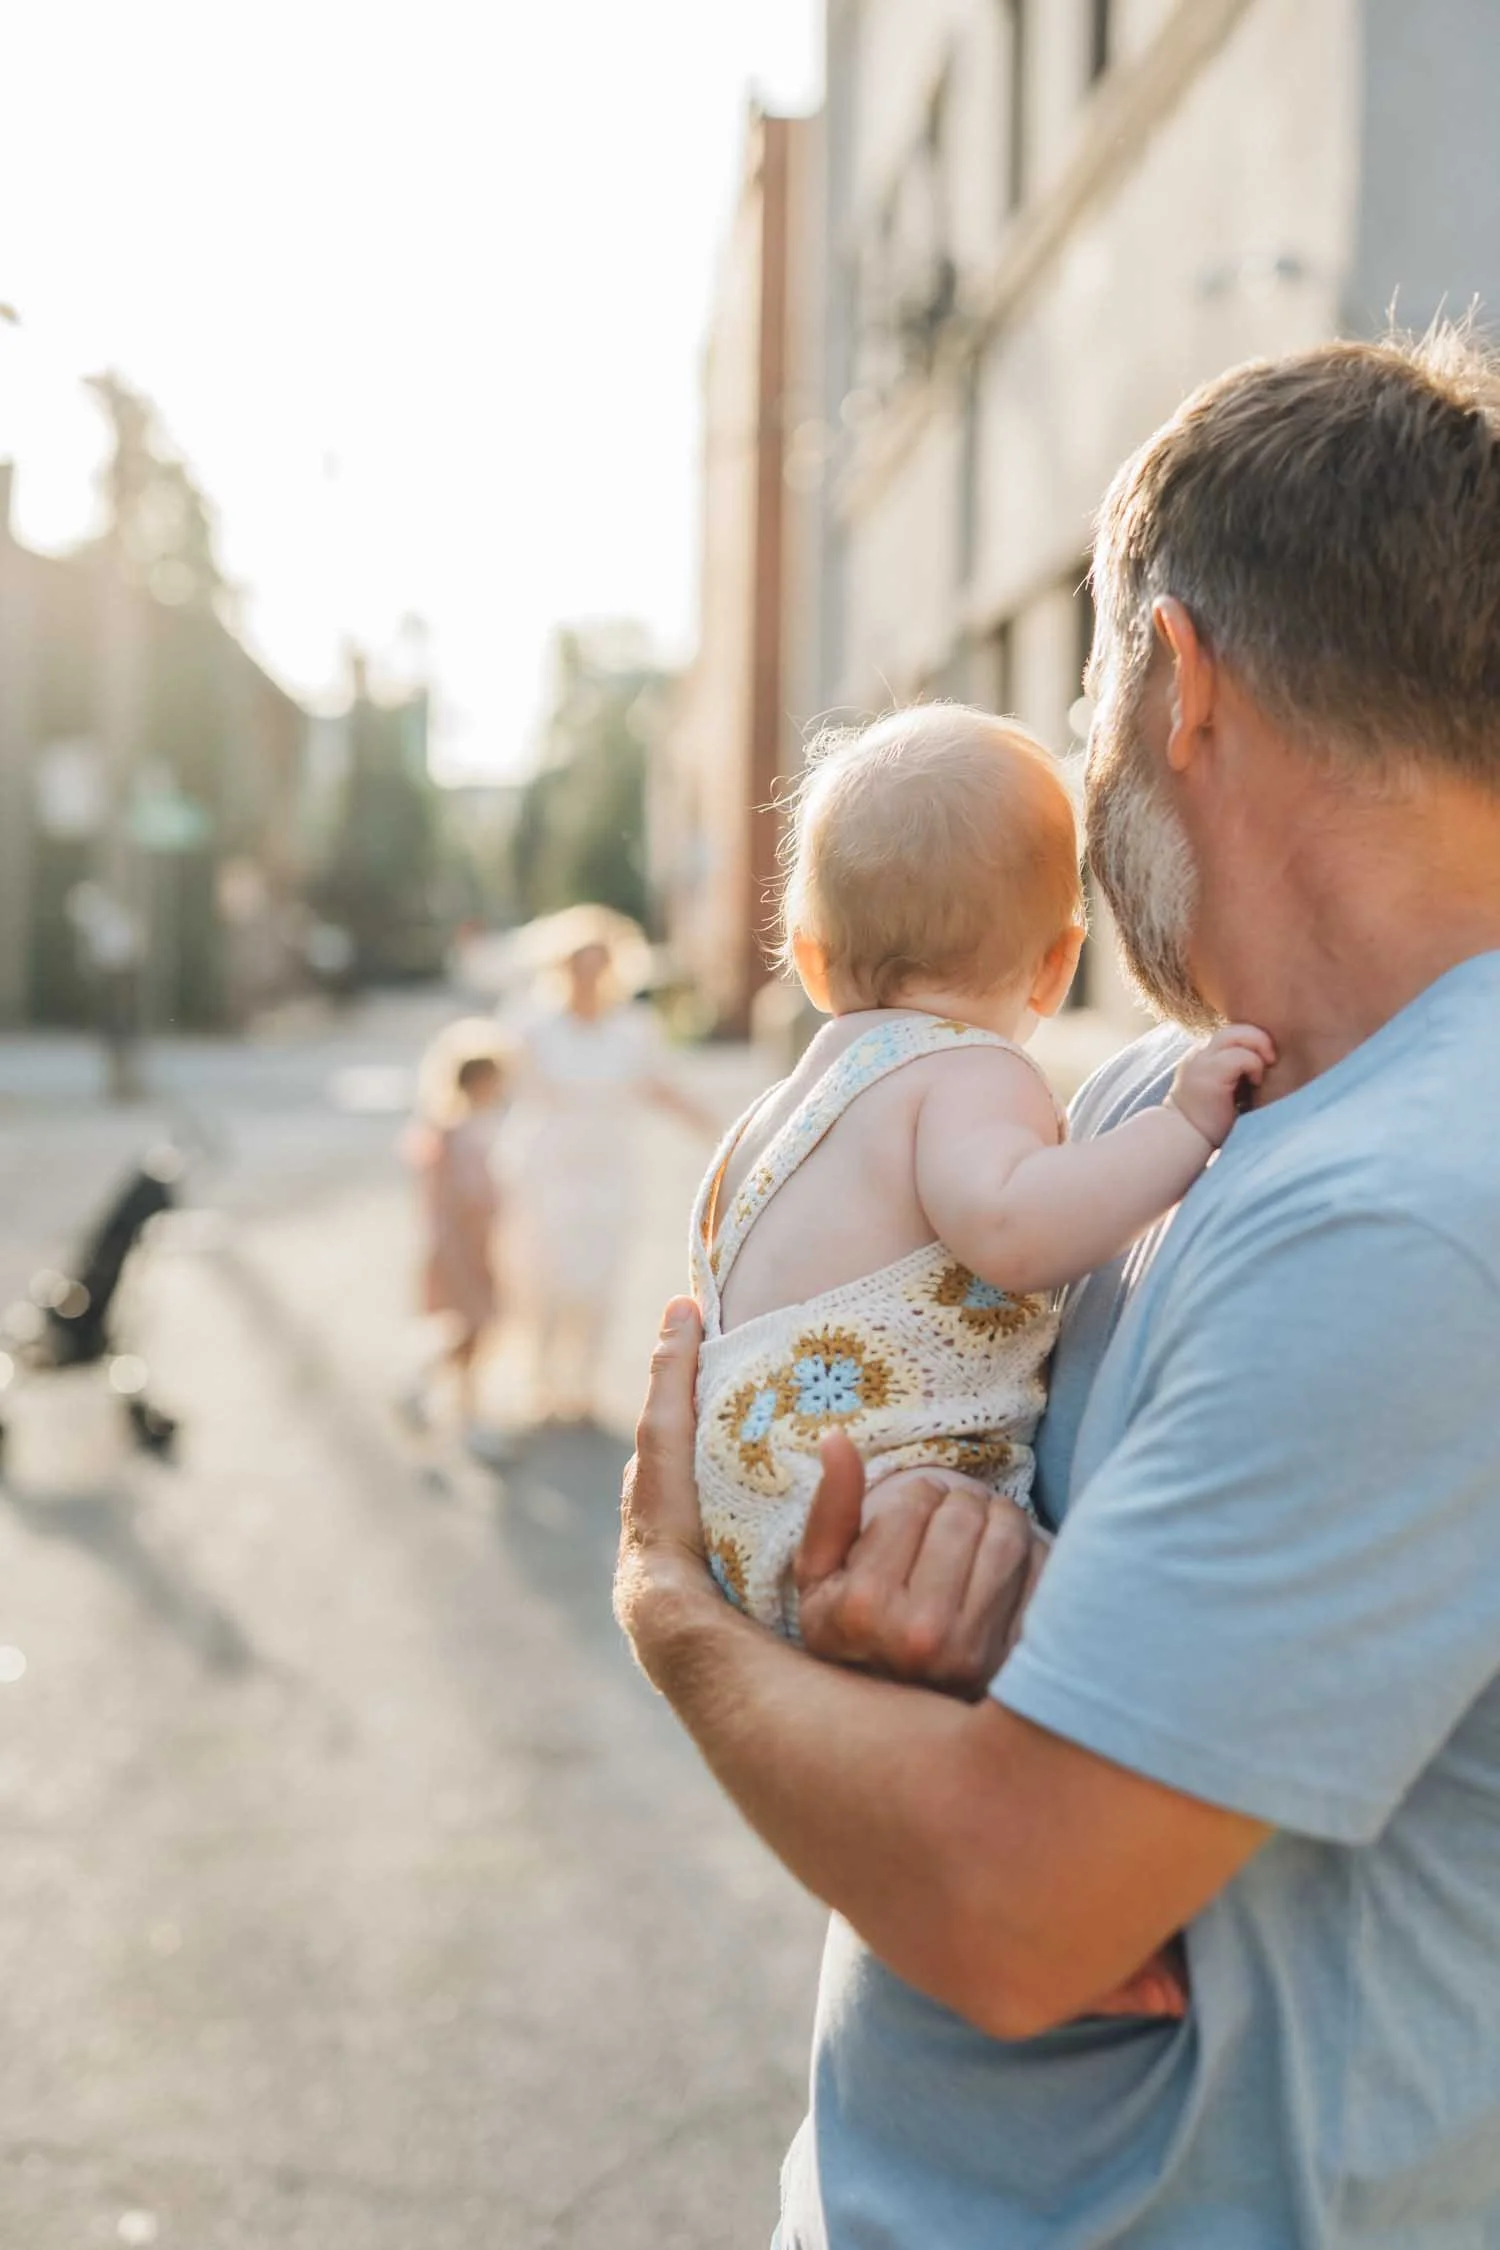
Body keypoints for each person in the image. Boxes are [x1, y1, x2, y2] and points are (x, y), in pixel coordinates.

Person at [616, 324, 1500, 2246]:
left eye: (1082, 713)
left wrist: (679, 1610)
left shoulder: (1417, 1208)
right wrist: (917, 1624)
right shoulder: (1154, 1110)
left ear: (1177, 686)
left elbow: (1017, 1911)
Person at [692, 704, 1269, 1645]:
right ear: (1056, 967)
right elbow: (1016, 1229)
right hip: (878, 1508)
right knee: (1074, 1623)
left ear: (806, 957)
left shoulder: (774, 1115)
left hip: (749, 1503)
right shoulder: (968, 1069)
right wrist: (1181, 1126)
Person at [500, 908, 716, 1426]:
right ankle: (541, 1380)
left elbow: (661, 1088)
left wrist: (722, 1133)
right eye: (578, 963)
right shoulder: (530, 1023)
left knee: (596, 1280)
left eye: (599, 963)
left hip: (609, 1170)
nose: (588, 974)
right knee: (542, 1277)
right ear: (560, 966)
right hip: (545, 1167)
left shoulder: (633, 1030)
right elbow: (493, 1085)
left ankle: (582, 1384)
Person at [402, 1028, 507, 1445]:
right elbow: (466, 1199)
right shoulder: (456, 1133)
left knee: (473, 1331)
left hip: (464, 1244)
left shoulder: (461, 1129)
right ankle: (448, 1403)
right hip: (463, 1248)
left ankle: (454, 1405)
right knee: (474, 1327)